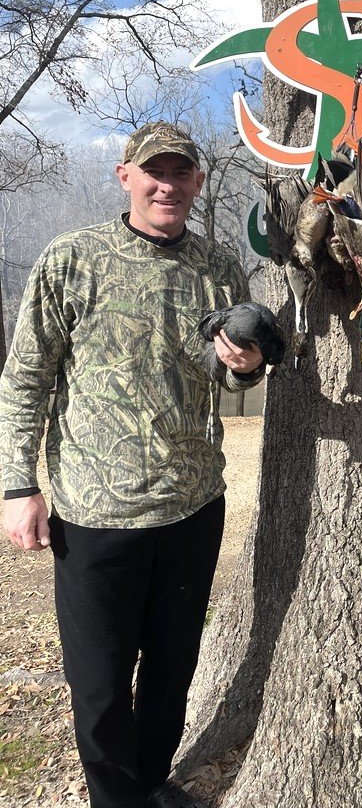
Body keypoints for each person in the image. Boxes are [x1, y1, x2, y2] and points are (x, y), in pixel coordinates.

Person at [0, 122, 267, 808]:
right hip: (96, 510)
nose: (166, 186)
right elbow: (26, 379)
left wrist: (244, 366)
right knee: (99, 679)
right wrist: (17, 485)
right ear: (126, 177)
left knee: (173, 667)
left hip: (192, 502)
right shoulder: (73, 259)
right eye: (154, 172)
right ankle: (115, 800)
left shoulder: (219, 269)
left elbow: (227, 379)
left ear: (197, 184)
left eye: (181, 174)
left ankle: (151, 785)